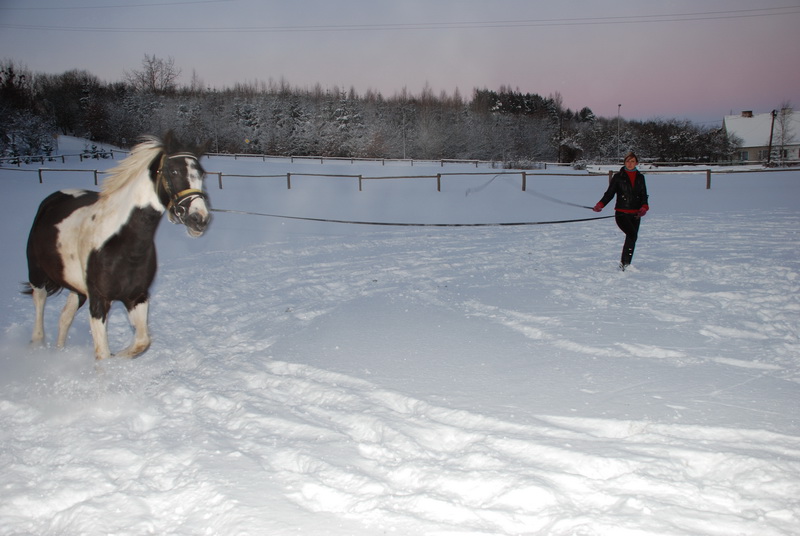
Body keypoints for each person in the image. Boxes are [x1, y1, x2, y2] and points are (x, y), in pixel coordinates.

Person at [593, 151, 649, 271]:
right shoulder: (618, 177)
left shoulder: (640, 177)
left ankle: (625, 263)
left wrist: (644, 207)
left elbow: (643, 194)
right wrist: (600, 204)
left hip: (636, 214)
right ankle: (625, 264)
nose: (630, 163)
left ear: (637, 163)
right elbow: (609, 194)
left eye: (632, 161)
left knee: (632, 237)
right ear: (624, 163)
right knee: (632, 235)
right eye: (628, 161)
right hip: (621, 213)